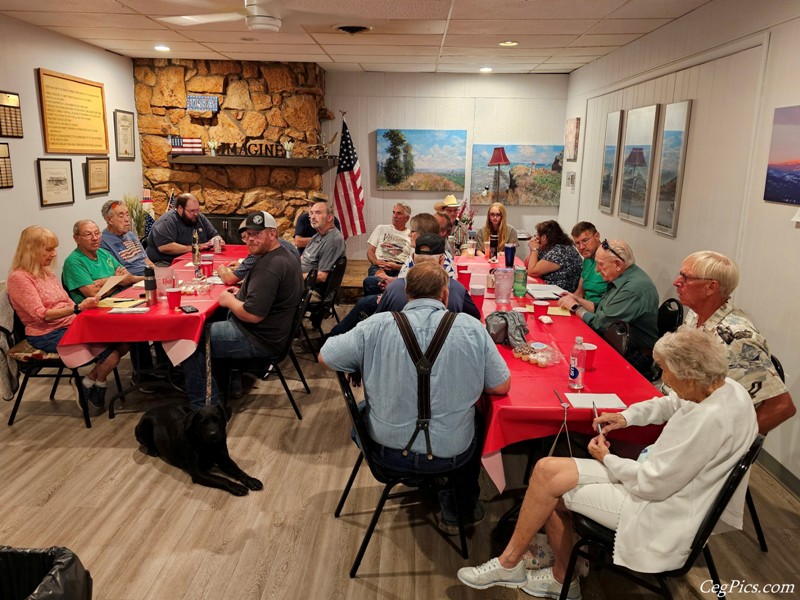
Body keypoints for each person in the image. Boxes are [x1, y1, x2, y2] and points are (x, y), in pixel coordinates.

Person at [457, 328, 758, 599]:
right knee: (546, 469)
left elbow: (651, 483)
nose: (664, 379)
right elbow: (671, 402)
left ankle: (561, 579)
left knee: (553, 491)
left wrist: (608, 459)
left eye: (666, 372)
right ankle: (511, 562)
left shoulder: (708, 422)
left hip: (659, 508)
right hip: (660, 484)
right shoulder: (726, 387)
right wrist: (626, 416)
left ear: (689, 375)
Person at [320, 261, 510, 532]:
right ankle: (458, 506)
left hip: (387, 453)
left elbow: (325, 356)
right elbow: (501, 386)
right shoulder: (471, 327)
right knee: (477, 420)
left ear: (407, 291)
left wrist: (366, 361)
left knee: (363, 412)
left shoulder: (375, 325)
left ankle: (421, 480)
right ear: (445, 294)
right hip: (451, 455)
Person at [182, 211, 303, 408]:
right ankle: (228, 384)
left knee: (190, 339)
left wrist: (229, 300)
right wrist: (241, 292)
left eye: (257, 234)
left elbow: (253, 315)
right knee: (213, 320)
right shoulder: (282, 256)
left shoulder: (270, 266)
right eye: (248, 235)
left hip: (257, 338)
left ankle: (205, 409)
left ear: (272, 234)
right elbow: (264, 295)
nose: (251, 240)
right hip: (273, 332)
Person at [673, 251, 795, 434]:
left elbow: (782, 407)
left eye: (686, 277)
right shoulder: (695, 315)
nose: (676, 281)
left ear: (711, 287)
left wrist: (730, 445)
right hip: (678, 407)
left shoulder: (739, 338)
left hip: (697, 425)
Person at [8, 226, 128, 411]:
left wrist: (80, 311)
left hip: (70, 323)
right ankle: (96, 382)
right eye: (49, 249)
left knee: (125, 340)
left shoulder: (46, 272)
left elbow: (64, 300)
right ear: (31, 249)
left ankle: (87, 381)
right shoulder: (19, 278)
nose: (54, 254)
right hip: (46, 333)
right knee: (111, 354)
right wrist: (78, 307)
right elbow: (41, 315)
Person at [559, 239, 658, 375]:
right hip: (618, 343)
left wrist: (576, 308)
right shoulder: (622, 276)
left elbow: (601, 324)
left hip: (633, 355)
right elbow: (602, 309)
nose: (597, 269)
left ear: (618, 264)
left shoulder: (632, 289)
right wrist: (578, 300)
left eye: (601, 265)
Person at [375, 234, 480, 319]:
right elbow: (476, 317)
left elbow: (378, 320)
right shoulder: (456, 288)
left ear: (412, 258)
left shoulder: (394, 288)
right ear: (442, 260)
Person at [62, 220, 138, 303]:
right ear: (76, 239)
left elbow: (129, 278)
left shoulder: (103, 252)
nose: (95, 238)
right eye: (88, 235)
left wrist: (106, 281)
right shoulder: (73, 262)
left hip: (121, 299)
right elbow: (94, 294)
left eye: (97, 233)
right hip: (96, 308)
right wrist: (116, 280)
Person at [145, 193, 225, 266]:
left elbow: (214, 235)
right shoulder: (166, 221)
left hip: (193, 259)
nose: (196, 214)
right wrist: (195, 247)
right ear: (180, 209)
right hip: (165, 262)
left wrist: (217, 241)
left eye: (197, 210)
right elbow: (165, 247)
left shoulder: (199, 218)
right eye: (192, 211)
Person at [217, 217, 299, 286]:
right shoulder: (284, 244)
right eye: (245, 237)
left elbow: (230, 280)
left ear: (272, 233)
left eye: (255, 233)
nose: (250, 239)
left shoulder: (261, 251)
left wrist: (223, 272)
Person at [362, 202, 412, 294]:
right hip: (379, 265)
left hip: (399, 267)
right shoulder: (381, 228)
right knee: (377, 281)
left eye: (399, 213)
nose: (394, 216)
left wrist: (396, 267)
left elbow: (412, 263)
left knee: (397, 285)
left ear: (407, 218)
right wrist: (375, 261)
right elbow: (370, 251)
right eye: (394, 212)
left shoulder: (411, 236)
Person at [525, 220, 581, 292]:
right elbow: (527, 265)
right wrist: (532, 249)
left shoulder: (560, 251)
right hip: (548, 288)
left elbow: (532, 272)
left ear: (544, 237)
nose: (536, 238)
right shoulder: (548, 247)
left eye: (537, 235)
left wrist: (534, 249)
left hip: (561, 293)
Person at [300, 200, 345, 289]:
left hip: (309, 289)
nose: (312, 217)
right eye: (311, 213)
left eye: (317, 213)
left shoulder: (333, 241)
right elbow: (303, 258)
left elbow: (322, 276)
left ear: (329, 217)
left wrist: (294, 277)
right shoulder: (317, 235)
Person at [100, 199, 151, 276]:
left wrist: (158, 273)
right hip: (133, 282)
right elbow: (119, 274)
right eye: (121, 216)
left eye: (127, 215)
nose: (127, 219)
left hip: (149, 275)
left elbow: (147, 261)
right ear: (109, 220)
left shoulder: (131, 234)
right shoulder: (103, 242)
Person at [568, 221, 607, 311]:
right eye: (577, 243)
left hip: (598, 313)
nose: (581, 247)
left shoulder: (609, 259)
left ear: (597, 236)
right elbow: (580, 292)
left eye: (585, 241)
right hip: (583, 307)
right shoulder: (588, 258)